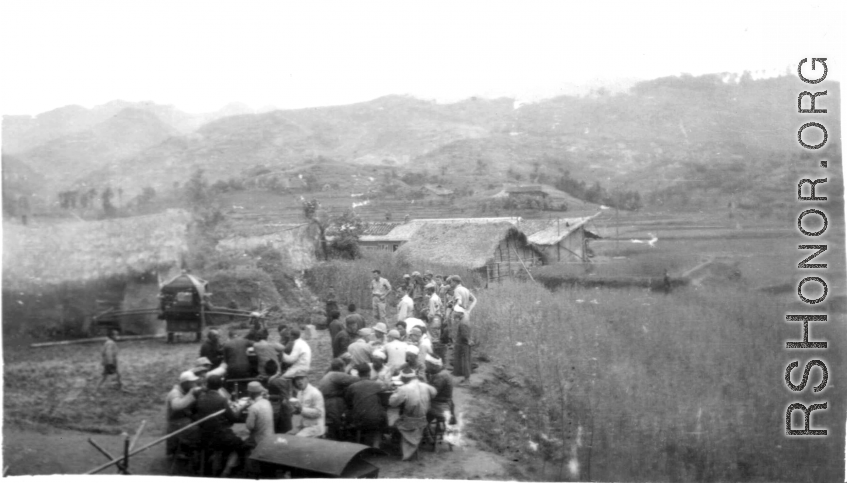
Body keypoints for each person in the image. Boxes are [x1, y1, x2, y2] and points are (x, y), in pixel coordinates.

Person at [195, 374, 247, 477]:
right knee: (242, 444)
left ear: (208, 385)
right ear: (220, 386)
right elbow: (233, 418)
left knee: (222, 444)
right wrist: (241, 408)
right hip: (219, 436)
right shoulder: (221, 400)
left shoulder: (200, 398)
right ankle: (228, 472)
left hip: (204, 435)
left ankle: (216, 468)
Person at [389, 368, 436, 461]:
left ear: (404, 378)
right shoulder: (426, 386)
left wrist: (395, 393)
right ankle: (426, 437)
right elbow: (434, 392)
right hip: (423, 420)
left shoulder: (403, 389)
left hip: (409, 423)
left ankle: (393, 440)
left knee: (392, 414)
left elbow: (392, 402)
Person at [345, 364, 388, 448]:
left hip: (358, 419)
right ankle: (376, 445)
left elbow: (348, 404)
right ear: (369, 373)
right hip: (375, 419)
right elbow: (386, 389)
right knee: (381, 414)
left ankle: (359, 443)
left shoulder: (352, 387)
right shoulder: (376, 385)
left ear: (358, 374)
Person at [316, 361, 360, 439]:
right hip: (332, 401)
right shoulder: (336, 375)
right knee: (339, 421)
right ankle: (342, 437)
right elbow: (356, 380)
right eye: (344, 367)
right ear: (340, 368)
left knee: (334, 422)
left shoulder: (328, 374)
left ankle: (337, 435)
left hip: (325, 400)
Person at [165, 371, 201, 457]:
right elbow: (177, 406)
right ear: (185, 383)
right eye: (192, 382)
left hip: (182, 421)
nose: (194, 384)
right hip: (176, 423)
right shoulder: (175, 393)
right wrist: (191, 394)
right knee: (199, 432)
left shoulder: (184, 390)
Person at [290, 370, 325, 438]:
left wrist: (301, 409)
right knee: (288, 435)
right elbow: (299, 411)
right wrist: (293, 410)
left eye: (301, 378)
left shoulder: (315, 393)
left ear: (307, 379)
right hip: (304, 426)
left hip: (315, 427)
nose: (299, 381)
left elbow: (318, 413)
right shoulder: (299, 393)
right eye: (297, 379)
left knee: (296, 440)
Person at [266, 360, 294, 434]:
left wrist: (269, 396)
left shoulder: (274, 381)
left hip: (282, 409)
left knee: (280, 431)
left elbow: (284, 396)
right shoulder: (276, 379)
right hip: (283, 408)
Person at [245, 381, 275, 448]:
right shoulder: (267, 402)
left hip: (259, 441)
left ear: (250, 393)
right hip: (270, 437)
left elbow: (249, 427)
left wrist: (250, 409)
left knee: (240, 444)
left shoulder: (253, 408)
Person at [425, 355, 455, 423]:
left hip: (439, 405)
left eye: (426, 364)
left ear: (433, 365)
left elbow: (431, 394)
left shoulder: (440, 376)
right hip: (444, 402)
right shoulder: (443, 371)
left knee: (416, 408)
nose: (425, 367)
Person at [452, 306, 472, 385]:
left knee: (465, 362)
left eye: (456, 315)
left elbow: (464, 335)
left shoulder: (463, 322)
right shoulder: (465, 319)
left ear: (460, 314)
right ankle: (466, 378)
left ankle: (467, 380)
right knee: (466, 361)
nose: (455, 316)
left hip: (464, 344)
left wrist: (467, 341)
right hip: (466, 343)